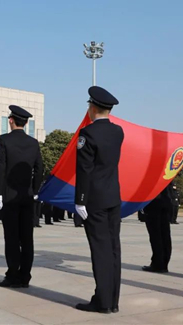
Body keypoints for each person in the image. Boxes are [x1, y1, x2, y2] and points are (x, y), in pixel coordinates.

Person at [74, 86, 123, 314]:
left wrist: (80, 200)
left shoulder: (87, 134)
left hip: (95, 199)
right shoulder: (118, 132)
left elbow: (84, 170)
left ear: (92, 108)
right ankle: (112, 300)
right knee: (113, 249)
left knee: (100, 250)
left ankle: (102, 301)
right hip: (114, 196)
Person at [0, 105, 43, 288]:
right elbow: (39, 169)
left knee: (12, 237)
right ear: (26, 122)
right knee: (27, 238)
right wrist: (35, 190)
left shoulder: (3, 140)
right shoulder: (33, 143)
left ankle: (13, 275)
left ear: (11, 120)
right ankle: (25, 276)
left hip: (9, 196)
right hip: (28, 196)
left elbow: (0, 169)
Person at [142, 183, 174, 273]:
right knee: (165, 234)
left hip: (154, 202)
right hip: (165, 202)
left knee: (156, 235)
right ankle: (164, 263)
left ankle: (158, 264)